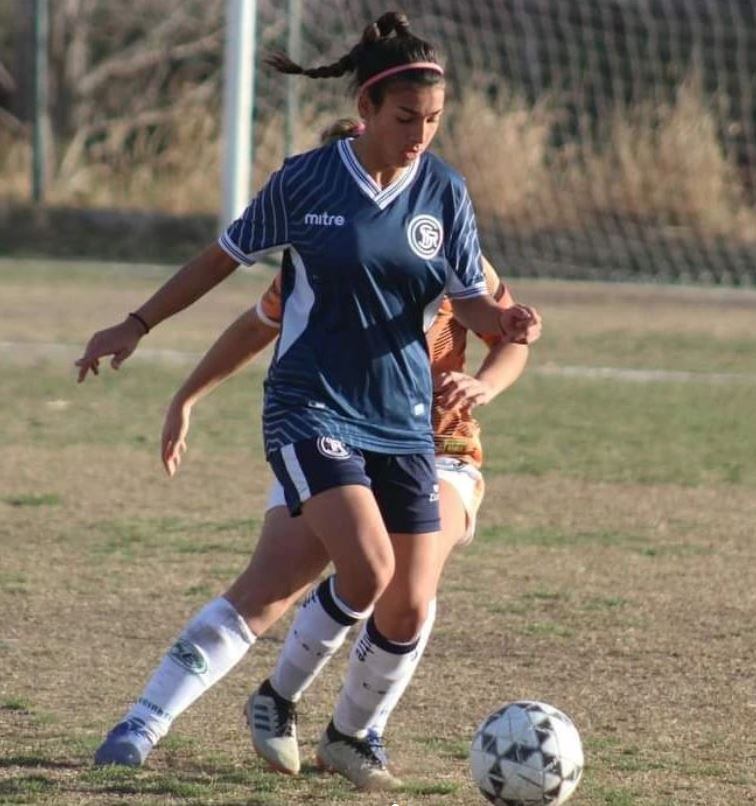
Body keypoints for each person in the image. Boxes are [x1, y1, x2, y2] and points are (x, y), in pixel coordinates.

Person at [81, 11, 539, 790]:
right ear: (364, 109)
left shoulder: (445, 194)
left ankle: (337, 726)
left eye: (433, 120)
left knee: (401, 596)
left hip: (405, 426)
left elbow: (480, 308)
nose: (420, 134)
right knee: (362, 568)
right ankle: (159, 720)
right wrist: (139, 326)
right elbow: (223, 266)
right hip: (312, 406)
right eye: (405, 119)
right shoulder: (306, 182)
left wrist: (511, 326)